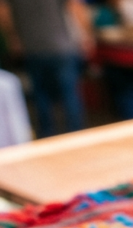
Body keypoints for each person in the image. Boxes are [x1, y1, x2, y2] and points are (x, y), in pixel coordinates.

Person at [0, 0, 93, 137]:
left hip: (31, 48)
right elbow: (75, 6)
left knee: (41, 95)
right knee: (69, 94)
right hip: (61, 47)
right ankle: (76, 136)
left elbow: (4, 13)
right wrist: (86, 36)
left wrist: (14, 38)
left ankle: (47, 136)